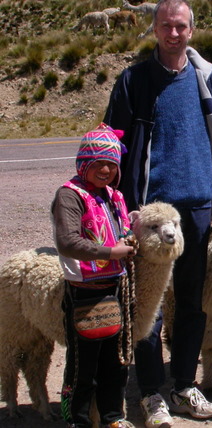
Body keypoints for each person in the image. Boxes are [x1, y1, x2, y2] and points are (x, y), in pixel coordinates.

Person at [103, 0, 212, 426]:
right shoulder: (134, 80)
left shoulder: (206, 78)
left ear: (191, 31)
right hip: (151, 213)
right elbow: (114, 145)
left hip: (196, 209)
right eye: (165, 26)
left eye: (180, 26)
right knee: (149, 306)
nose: (173, 34)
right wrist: (121, 208)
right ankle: (151, 393)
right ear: (154, 29)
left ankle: (183, 386)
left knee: (192, 302)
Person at [52, 123, 135, 428]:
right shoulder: (69, 195)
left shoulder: (113, 196)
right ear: (83, 163)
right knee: (81, 368)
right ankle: (76, 420)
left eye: (111, 164)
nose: (105, 170)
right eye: (98, 162)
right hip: (84, 292)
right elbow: (68, 241)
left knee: (115, 363)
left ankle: (112, 417)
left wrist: (131, 233)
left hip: (115, 290)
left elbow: (123, 230)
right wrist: (111, 252)